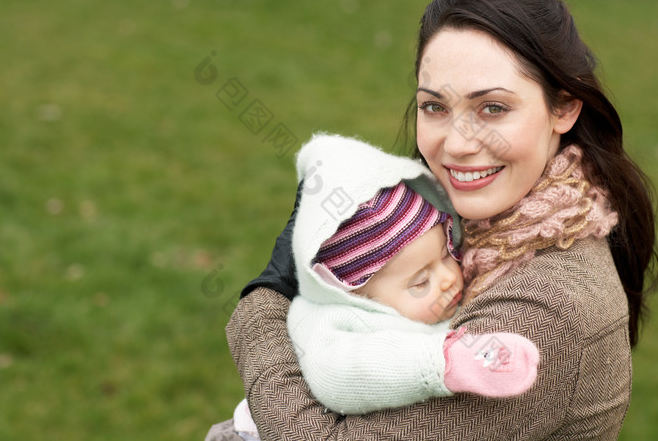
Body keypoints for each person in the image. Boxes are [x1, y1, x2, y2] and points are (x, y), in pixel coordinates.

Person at [225, 0, 658, 439]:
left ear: (564, 110)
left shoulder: (546, 311)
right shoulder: (462, 225)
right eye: (434, 107)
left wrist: (264, 304)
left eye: (493, 108)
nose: (456, 143)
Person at [211, 134, 539, 441]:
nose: (448, 278)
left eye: (446, 254)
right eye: (420, 282)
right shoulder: (327, 321)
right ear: (354, 292)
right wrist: (442, 362)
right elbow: (338, 373)